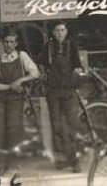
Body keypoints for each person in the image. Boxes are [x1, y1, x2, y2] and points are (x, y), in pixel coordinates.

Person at [0, 29, 39, 170]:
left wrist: (20, 80)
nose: (9, 45)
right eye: (6, 42)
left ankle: (11, 162)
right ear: (2, 43)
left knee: (14, 129)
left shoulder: (22, 56)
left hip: (16, 99)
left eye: (12, 42)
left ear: (16, 43)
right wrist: (11, 86)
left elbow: (35, 73)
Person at [39, 21, 84, 172]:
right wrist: (45, 77)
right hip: (53, 93)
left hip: (69, 92)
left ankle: (75, 161)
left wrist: (77, 78)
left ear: (66, 32)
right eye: (57, 30)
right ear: (53, 32)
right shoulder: (48, 47)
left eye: (62, 30)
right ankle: (63, 159)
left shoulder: (72, 46)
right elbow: (42, 66)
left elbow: (78, 66)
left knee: (72, 125)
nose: (60, 33)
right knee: (57, 127)